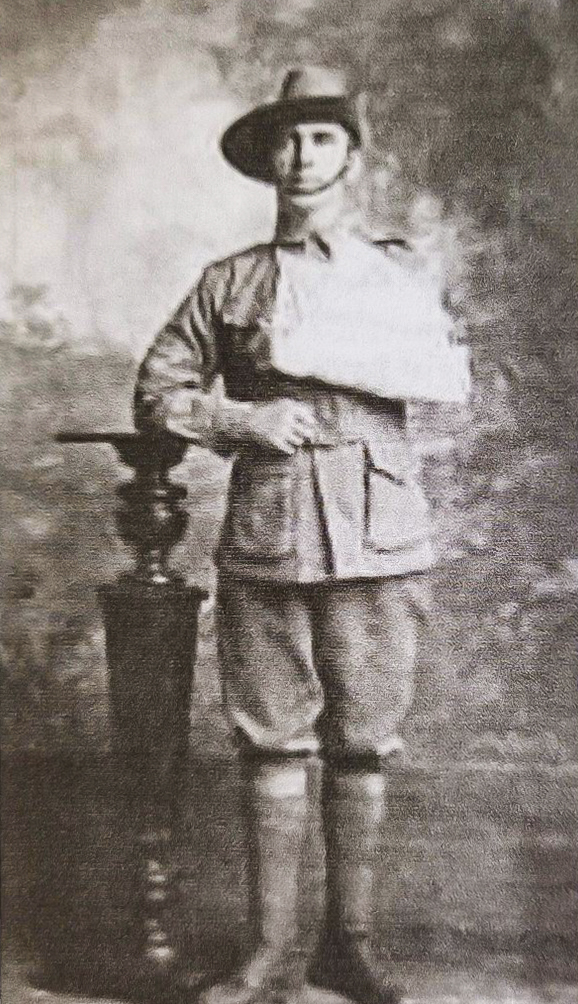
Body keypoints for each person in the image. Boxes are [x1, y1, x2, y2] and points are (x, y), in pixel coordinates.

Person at [134, 66, 469, 1004]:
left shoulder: (398, 273)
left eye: (322, 137)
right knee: (272, 743)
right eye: (286, 139)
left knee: (364, 743)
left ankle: (346, 947)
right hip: (270, 533)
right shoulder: (231, 282)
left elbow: (442, 368)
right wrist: (241, 420)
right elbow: (158, 390)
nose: (302, 155)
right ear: (266, 162)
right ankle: (268, 953)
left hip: (380, 533)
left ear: (351, 158)